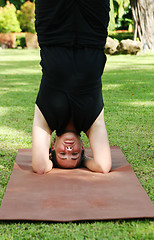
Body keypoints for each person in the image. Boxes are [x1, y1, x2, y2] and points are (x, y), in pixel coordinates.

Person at [32, 0, 112, 174]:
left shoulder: (45, 119)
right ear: (83, 147)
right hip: (93, 30)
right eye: (75, 155)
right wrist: (84, 160)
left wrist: (52, 161)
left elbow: (40, 167)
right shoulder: (92, 122)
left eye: (62, 154)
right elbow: (103, 166)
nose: (69, 151)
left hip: (52, 28)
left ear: (52, 147)